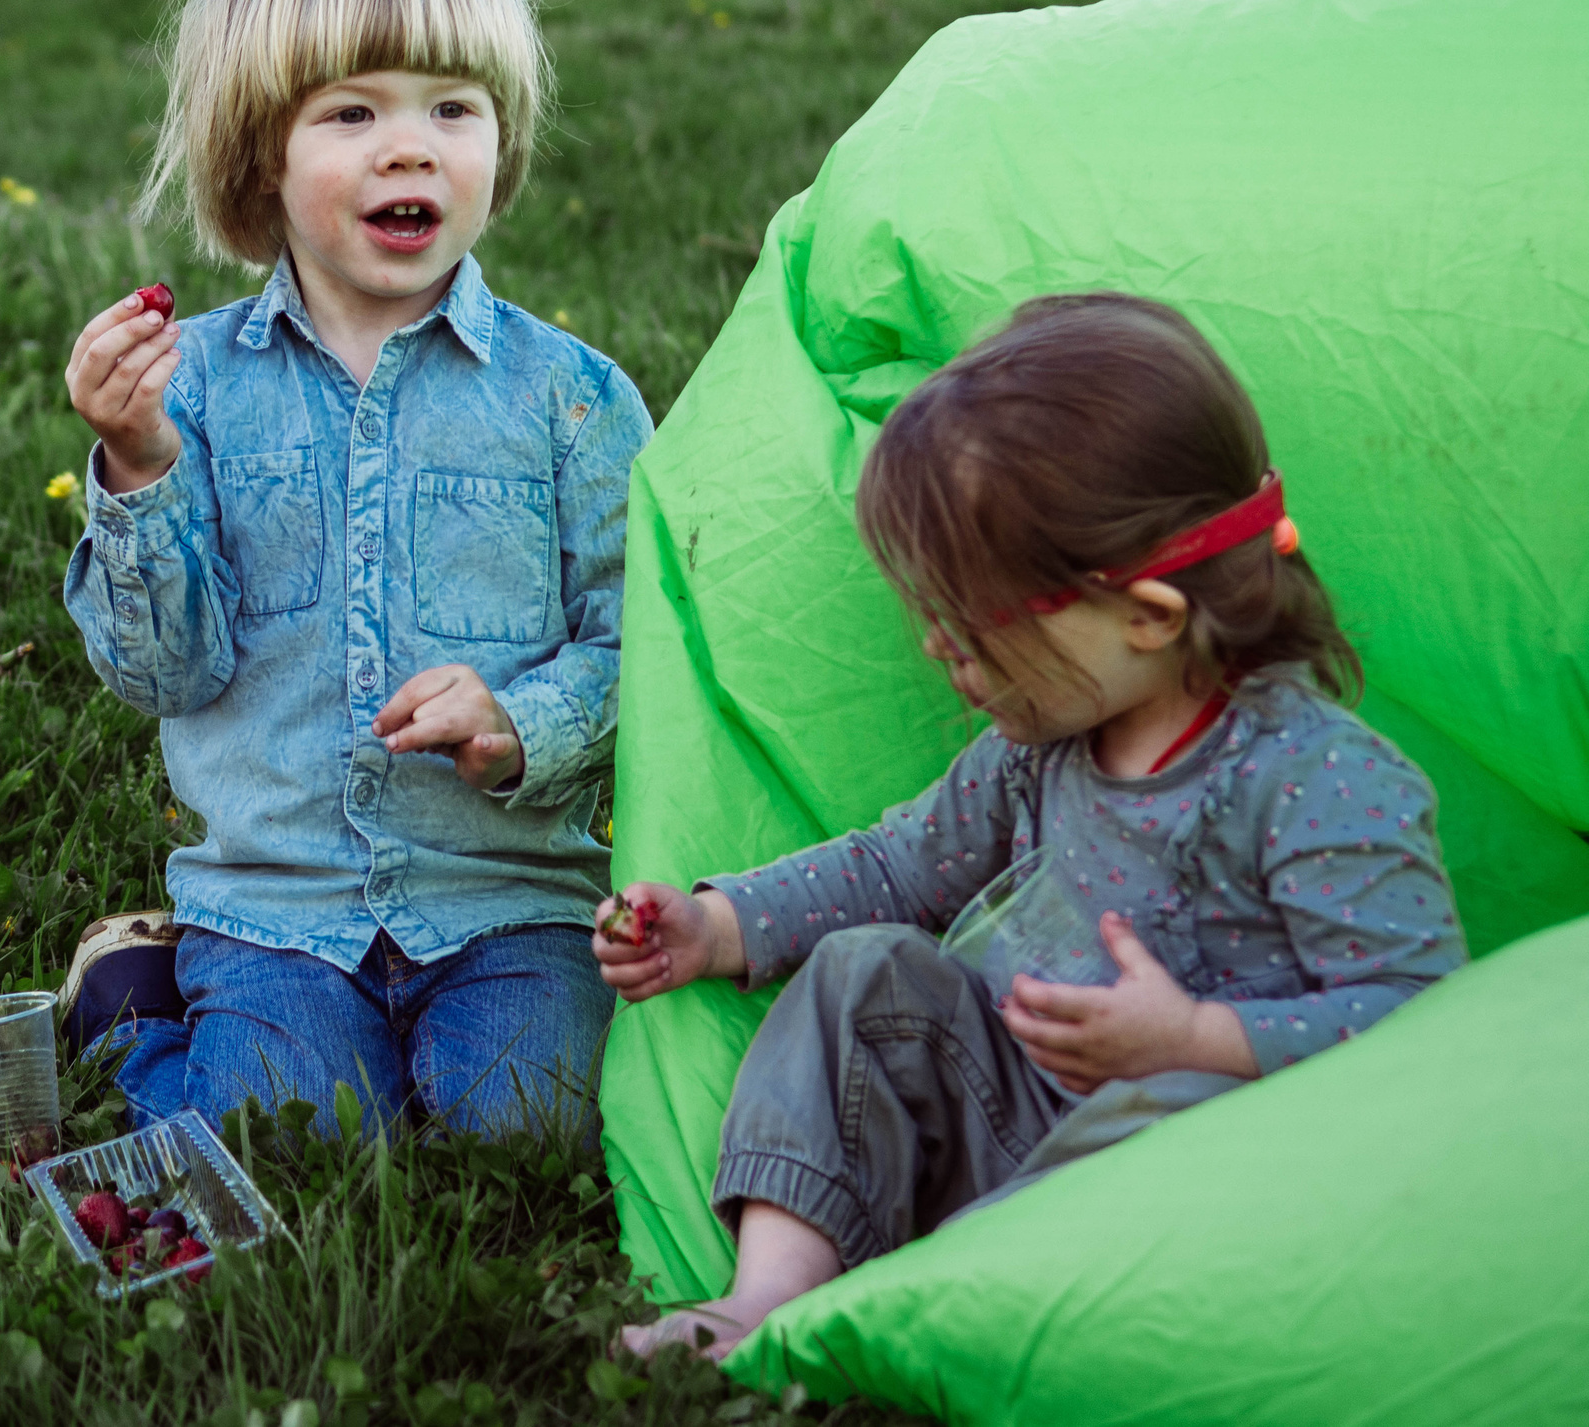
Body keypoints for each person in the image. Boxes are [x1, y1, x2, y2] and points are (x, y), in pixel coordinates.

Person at [600, 293, 1467, 1354]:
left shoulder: (1313, 779)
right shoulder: (1038, 744)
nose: (935, 651)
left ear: (1146, 616)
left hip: (1193, 1170)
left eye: (966, 624)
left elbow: (1422, 1024)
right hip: (1010, 1108)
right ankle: (770, 1296)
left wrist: (1195, 1041)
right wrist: (720, 925)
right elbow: (900, 864)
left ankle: (951, 1304)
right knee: (863, 968)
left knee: (1169, 1106)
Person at [54, 0, 651, 1141]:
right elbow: (160, 668)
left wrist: (521, 721)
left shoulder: (572, 401)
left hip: (507, 896)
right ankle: (136, 1004)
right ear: (258, 154)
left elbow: (640, 644)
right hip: (279, 906)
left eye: (452, 107)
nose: (410, 147)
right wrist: (137, 460)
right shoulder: (195, 388)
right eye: (351, 112)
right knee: (289, 1137)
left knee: (532, 1123)